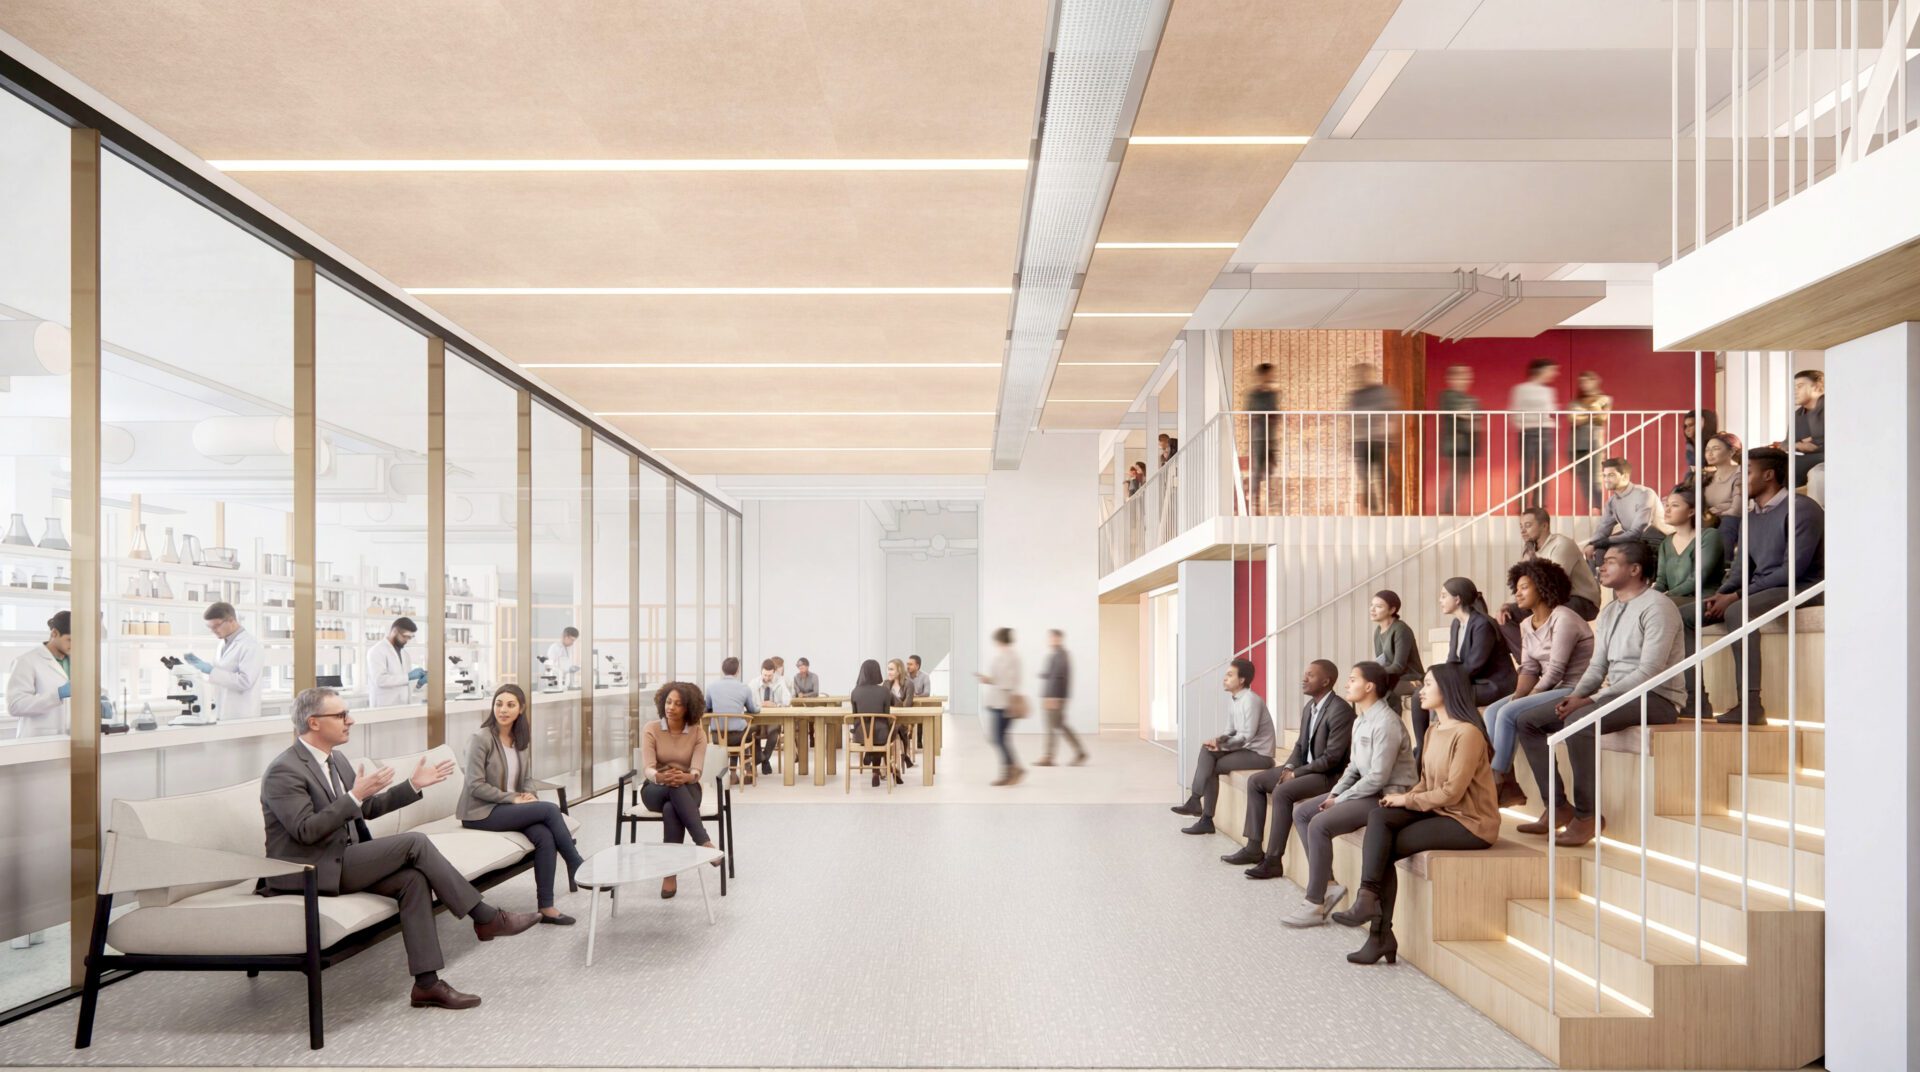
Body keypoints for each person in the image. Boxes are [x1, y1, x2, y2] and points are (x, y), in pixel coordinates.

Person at [261, 687, 539, 1010]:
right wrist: (353, 797)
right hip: (309, 869)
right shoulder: (284, 770)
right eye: (341, 715)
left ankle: (426, 985)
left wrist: (414, 785)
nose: (350, 720)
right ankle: (485, 916)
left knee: (412, 880)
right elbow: (306, 831)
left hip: (342, 859)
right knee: (414, 842)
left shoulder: (335, 760)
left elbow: (368, 809)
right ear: (314, 723)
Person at [1515, 541, 1683, 846]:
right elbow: (1597, 665)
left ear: (1635, 569)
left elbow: (1650, 671)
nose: (1600, 567)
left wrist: (1590, 700)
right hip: (1614, 694)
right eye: (1602, 562)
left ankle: (1587, 815)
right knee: (1527, 721)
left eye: (1611, 562)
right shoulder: (1609, 611)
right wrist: (1577, 694)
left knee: (1579, 724)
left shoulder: (1659, 607)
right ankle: (1556, 807)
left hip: (1657, 697)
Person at [1331, 665, 1498, 965]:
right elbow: (1426, 782)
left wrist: (1408, 799)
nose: (1421, 690)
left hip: (1469, 821)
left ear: (1447, 689)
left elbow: (1452, 793)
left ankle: (1379, 934)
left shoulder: (1469, 734)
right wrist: (1403, 799)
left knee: (1384, 848)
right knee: (1380, 818)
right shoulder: (1434, 729)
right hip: (1439, 810)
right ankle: (1368, 901)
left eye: (1429, 684)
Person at [1689, 447, 1825, 725]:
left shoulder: (1802, 508)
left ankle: (1751, 705)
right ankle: (1696, 701)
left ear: (1769, 475)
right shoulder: (1750, 517)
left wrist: (1737, 597)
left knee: (1738, 612)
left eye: (1747, 473)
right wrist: (1724, 593)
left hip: (1804, 587)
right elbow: (1741, 569)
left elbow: (1792, 571)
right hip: (1766, 587)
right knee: (1682, 616)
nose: (1741, 481)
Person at [1283, 662, 1417, 927]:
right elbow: (1354, 767)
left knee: (1320, 823)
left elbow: (1378, 777)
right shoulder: (1361, 720)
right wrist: (1333, 793)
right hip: (1365, 791)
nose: (1347, 684)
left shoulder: (1387, 722)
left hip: (1386, 795)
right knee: (1302, 812)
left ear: (1370, 687)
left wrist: (1339, 800)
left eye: (1353, 679)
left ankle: (1314, 902)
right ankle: (1329, 884)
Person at [458, 684, 583, 923]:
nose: (503, 710)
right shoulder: (480, 738)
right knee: (549, 809)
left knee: (544, 836)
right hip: (481, 812)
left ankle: (546, 908)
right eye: (499, 704)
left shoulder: (520, 740)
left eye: (510, 705)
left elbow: (526, 779)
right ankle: (575, 862)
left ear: (521, 709)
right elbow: (475, 785)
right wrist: (513, 798)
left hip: (509, 808)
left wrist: (529, 796)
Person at [1223, 660, 1354, 878]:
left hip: (1328, 776)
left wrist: (1295, 774)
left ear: (1326, 681)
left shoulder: (1340, 710)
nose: (1304, 679)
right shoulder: (1310, 707)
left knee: (1283, 791)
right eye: (1305, 674)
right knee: (1255, 781)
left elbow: (1331, 759)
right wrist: (1291, 765)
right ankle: (1254, 847)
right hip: (1305, 768)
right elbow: (1300, 745)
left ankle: (1273, 860)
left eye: (1310, 675)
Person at [1484, 559, 1594, 808]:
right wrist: (1520, 694)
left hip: (1572, 687)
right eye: (1517, 587)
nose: (1517, 593)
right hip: (1548, 687)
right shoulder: (1525, 624)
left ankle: (1494, 781)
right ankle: (1507, 779)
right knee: (1493, 711)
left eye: (1524, 587)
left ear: (1543, 587)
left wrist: (1528, 696)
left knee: (1509, 712)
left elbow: (1555, 670)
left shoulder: (1564, 618)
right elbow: (1529, 668)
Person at [1170, 657, 1275, 834]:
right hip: (1245, 749)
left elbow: (1247, 736)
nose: (1224, 678)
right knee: (1206, 749)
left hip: (1260, 755)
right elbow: (1231, 730)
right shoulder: (1235, 700)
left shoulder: (1250, 700)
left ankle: (1202, 813)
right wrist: (1216, 741)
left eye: (1229, 675)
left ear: (1242, 680)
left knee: (1213, 766)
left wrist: (1221, 747)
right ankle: (1197, 804)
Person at [638, 682, 724, 896]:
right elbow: (648, 768)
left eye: (678, 704)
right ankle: (704, 842)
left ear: (689, 708)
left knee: (671, 807)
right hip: (655, 788)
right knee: (671, 790)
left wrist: (686, 776)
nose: (671, 707)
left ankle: (670, 874)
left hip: (688, 788)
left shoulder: (697, 732)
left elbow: (696, 770)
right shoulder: (652, 728)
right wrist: (660, 776)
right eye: (668, 702)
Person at [1497, 508, 1600, 656]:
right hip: (1548, 599)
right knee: (1506, 616)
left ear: (1544, 526)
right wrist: (1508, 604)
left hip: (1580, 600)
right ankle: (1531, 661)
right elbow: (1523, 583)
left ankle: (1545, 661)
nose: (1523, 531)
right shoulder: (1530, 550)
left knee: (1550, 612)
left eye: (1528, 525)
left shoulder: (1562, 545)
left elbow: (1552, 583)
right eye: (1521, 526)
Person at [1439, 577, 1516, 713]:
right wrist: (1439, 678)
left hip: (1492, 684)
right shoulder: (1456, 624)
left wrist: (1447, 682)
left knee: (1441, 694)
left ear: (1457, 599)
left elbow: (1475, 665)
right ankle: (1429, 735)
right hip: (1472, 681)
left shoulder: (1482, 624)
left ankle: (1455, 733)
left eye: (1444, 596)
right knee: (1421, 695)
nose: (1440, 600)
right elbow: (1452, 660)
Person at [181, 602, 264, 723]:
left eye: (216, 626)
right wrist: (203, 670)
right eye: (210, 627)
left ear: (231, 620)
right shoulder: (222, 643)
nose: (213, 631)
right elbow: (220, 674)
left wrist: (211, 670)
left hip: (241, 715)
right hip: (221, 711)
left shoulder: (250, 646)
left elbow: (245, 682)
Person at [1579, 458, 1661, 570]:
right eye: (1604, 475)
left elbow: (1637, 532)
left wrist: (1599, 543)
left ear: (1625, 476)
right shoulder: (1611, 502)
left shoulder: (1645, 494)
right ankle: (1596, 585)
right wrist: (1590, 544)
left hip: (1655, 541)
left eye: (1611, 475)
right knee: (1597, 553)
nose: (1606, 479)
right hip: (1634, 542)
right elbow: (1603, 530)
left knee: (1611, 553)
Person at [1346, 363, 1400, 515]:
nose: (1361, 377)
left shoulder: (1382, 392)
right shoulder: (1355, 395)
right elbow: (1350, 416)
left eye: (1365, 374)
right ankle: (1374, 508)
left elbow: (1391, 413)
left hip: (1379, 439)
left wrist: (1391, 437)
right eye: (1359, 375)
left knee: (1385, 474)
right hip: (1362, 439)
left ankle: (1383, 505)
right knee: (1365, 475)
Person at [7, 610, 71, 739]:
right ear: (54, 633)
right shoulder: (26, 661)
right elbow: (15, 706)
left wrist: (98, 701)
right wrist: (57, 695)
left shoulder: (79, 661)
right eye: (69, 639)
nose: (75, 645)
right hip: (38, 740)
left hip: (71, 740)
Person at [1510, 357, 1560, 508]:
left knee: (1543, 471)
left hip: (1545, 432)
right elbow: (1515, 412)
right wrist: (1537, 418)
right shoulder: (1521, 389)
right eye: (1551, 370)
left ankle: (1539, 504)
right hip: (1528, 432)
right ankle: (1523, 504)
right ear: (1541, 370)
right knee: (1526, 469)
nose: (1554, 373)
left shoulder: (1549, 391)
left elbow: (1550, 411)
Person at [977, 628, 1024, 786]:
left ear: (999, 640)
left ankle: (1010, 771)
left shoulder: (1011, 657)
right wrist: (989, 679)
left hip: (1004, 703)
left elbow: (1008, 682)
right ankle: (1014, 769)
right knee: (1000, 738)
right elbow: (1001, 679)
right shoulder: (1003, 655)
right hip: (997, 702)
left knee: (999, 738)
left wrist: (992, 680)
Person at [704, 656, 760, 782]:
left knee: (738, 734)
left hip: (717, 736)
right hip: (737, 736)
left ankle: (733, 774)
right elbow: (753, 710)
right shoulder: (744, 688)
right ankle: (748, 769)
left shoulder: (711, 687)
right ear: (737, 671)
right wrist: (759, 707)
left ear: (723, 670)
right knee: (750, 732)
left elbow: (706, 707)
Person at [1368, 590, 1423, 716]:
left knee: (1379, 690)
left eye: (1378, 606)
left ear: (1392, 610)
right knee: (1363, 687)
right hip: (1392, 678)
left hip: (1410, 678)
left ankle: (1393, 727)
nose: (1372, 609)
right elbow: (1382, 662)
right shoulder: (1378, 631)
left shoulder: (1400, 629)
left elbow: (1398, 666)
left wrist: (1374, 673)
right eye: (1372, 605)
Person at [1036, 629, 1085, 767]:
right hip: (1051, 695)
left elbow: (1060, 677)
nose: (1050, 640)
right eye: (1050, 638)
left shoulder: (1061, 655)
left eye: (1053, 638)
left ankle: (1049, 757)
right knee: (1058, 725)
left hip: (1054, 696)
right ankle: (1079, 752)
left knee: (1052, 726)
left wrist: (1054, 697)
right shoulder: (1056, 655)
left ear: (1059, 639)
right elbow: (1053, 675)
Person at [1435, 364, 1480, 515]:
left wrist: (1469, 417)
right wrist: (1469, 417)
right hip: (1454, 443)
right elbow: (1459, 415)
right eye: (1461, 377)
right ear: (1451, 379)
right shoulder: (1447, 395)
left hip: (1469, 443)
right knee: (1456, 476)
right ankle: (1449, 511)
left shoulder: (1470, 398)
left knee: (1462, 477)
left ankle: (1456, 509)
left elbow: (1476, 416)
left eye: (1467, 377)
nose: (1466, 380)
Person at [850, 659, 902, 787]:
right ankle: (881, 771)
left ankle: (871, 759)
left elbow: (855, 718)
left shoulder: (855, 692)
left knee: (872, 737)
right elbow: (886, 716)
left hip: (860, 735)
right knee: (889, 731)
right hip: (881, 735)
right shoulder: (884, 691)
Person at [1567, 371, 1614, 512]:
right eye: (1582, 382)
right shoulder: (1575, 402)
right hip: (1576, 444)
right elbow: (1573, 419)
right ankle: (1589, 509)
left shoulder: (1604, 399)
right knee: (1583, 480)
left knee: (1596, 478)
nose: (1584, 384)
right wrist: (1592, 412)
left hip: (1595, 443)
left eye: (1587, 381)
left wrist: (1586, 415)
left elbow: (1602, 418)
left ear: (1595, 381)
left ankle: (1598, 507)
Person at [1772, 369, 1824, 489]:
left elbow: (1822, 443)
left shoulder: (1832, 408)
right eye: (1793, 387)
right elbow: (1786, 443)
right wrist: (1799, 444)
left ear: (1817, 386)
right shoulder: (1797, 415)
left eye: (1800, 386)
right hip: (1801, 459)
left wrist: (1813, 442)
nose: (1794, 391)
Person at [366, 616, 426, 708]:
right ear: (394, 631)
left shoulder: (405, 654)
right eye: (405, 636)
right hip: (384, 708)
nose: (407, 640)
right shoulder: (376, 651)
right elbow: (380, 680)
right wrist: (409, 676)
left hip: (403, 706)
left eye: (410, 637)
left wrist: (419, 682)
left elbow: (404, 682)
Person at [1245, 362, 1282, 512]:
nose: (1272, 377)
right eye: (1270, 374)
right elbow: (1250, 412)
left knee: (1271, 468)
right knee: (1258, 468)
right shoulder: (1254, 394)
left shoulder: (1273, 394)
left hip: (1270, 436)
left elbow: (1275, 413)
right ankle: (1255, 504)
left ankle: (1268, 501)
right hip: (1259, 436)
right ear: (1263, 375)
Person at [751, 657, 792, 774]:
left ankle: (764, 759)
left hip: (773, 719)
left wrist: (775, 705)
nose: (767, 678)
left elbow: (787, 701)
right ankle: (763, 759)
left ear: (774, 672)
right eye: (764, 675)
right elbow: (747, 700)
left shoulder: (780, 682)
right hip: (757, 719)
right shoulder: (754, 682)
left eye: (769, 675)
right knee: (752, 731)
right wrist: (760, 704)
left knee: (774, 731)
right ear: (761, 672)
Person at [1699, 431, 1745, 528]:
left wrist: (1716, 511)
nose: (1709, 454)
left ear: (1732, 451)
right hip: (1710, 525)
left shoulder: (1741, 474)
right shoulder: (1707, 477)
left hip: (1732, 526)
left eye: (1716, 449)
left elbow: (1737, 510)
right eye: (1707, 450)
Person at [1680, 409, 1719, 482]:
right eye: (1686, 426)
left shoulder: (1715, 443)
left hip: (1710, 479)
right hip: (1693, 479)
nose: (1687, 429)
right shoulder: (1690, 445)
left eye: (1691, 425)